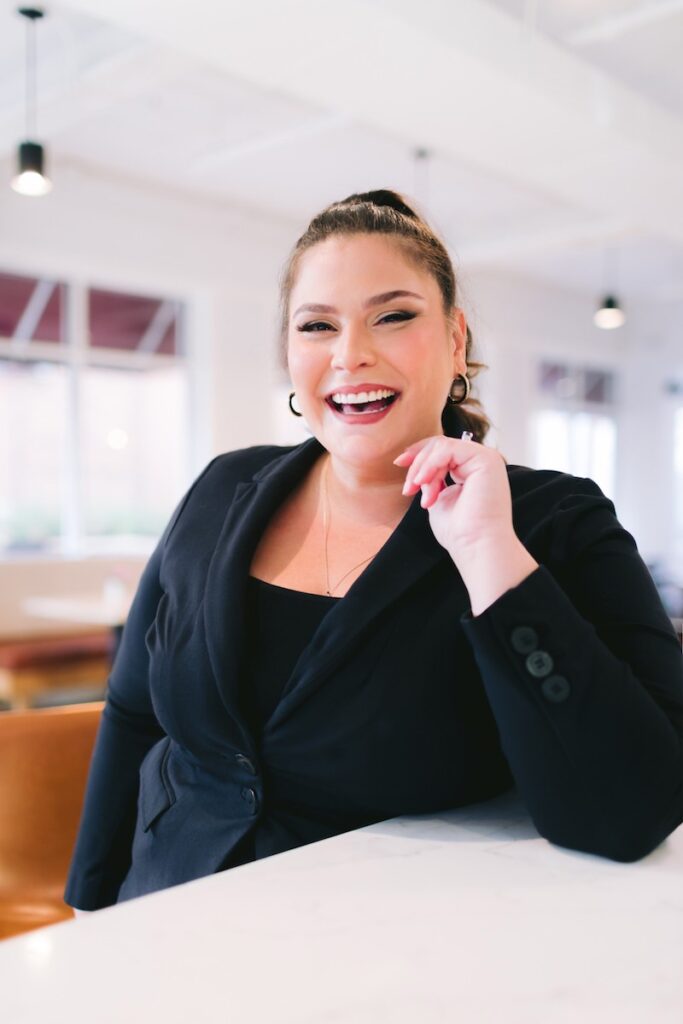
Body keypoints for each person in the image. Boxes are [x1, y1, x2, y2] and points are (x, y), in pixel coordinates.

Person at [65, 190, 683, 911]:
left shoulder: (554, 521)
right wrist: (90, 903)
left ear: (455, 341)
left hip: (387, 957)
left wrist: (489, 552)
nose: (350, 354)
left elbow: (627, 812)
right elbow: (134, 708)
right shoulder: (222, 487)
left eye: (392, 316)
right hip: (165, 917)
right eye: (316, 325)